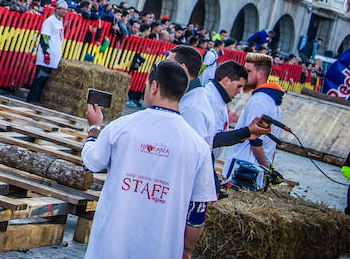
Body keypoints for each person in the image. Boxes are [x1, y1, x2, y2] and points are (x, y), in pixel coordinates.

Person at [82, 60, 217, 259]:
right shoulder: (198, 146)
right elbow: (197, 211)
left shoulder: (123, 127)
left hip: (112, 244)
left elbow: (91, 161)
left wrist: (94, 128)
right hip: (162, 248)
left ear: (153, 87)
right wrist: (187, 249)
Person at [223, 53, 283, 187]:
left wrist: (266, 169)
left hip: (244, 170)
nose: (244, 75)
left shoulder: (259, 101)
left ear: (260, 74)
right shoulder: (271, 101)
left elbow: (255, 140)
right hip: (252, 170)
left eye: (248, 71)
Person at [27, 0, 67, 104]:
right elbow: (44, 37)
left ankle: (37, 98)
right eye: (61, 9)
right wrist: (46, 52)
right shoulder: (50, 21)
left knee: (45, 79)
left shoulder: (60, 21)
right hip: (47, 55)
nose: (63, 11)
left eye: (65, 9)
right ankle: (32, 99)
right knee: (39, 78)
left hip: (54, 55)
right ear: (56, 9)